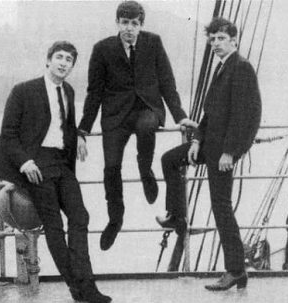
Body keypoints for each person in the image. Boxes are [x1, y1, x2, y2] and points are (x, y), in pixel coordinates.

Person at [0, 41, 112, 303]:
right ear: (48, 60)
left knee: (80, 216)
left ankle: (83, 282)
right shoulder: (24, 91)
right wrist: (25, 162)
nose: (63, 63)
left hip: (61, 162)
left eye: (69, 60)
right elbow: (8, 135)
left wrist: (80, 136)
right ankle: (81, 285)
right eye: (59, 57)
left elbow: (66, 126)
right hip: (36, 165)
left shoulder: (68, 91)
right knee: (54, 225)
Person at [78, 0, 198, 251]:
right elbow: (94, 92)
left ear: (141, 25)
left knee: (146, 128)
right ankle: (115, 217)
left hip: (147, 108)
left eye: (134, 23)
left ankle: (146, 172)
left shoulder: (153, 42)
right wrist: (83, 130)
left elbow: (167, 82)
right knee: (111, 166)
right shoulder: (102, 49)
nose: (129, 28)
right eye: (125, 23)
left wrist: (180, 116)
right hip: (115, 115)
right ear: (117, 23)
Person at [156, 17, 262, 291]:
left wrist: (231, 153)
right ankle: (177, 215)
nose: (215, 44)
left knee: (221, 208)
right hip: (208, 145)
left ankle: (236, 270)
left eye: (221, 39)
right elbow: (209, 115)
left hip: (223, 152)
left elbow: (247, 117)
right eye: (212, 39)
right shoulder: (222, 68)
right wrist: (196, 141)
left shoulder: (241, 68)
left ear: (234, 40)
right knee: (170, 159)